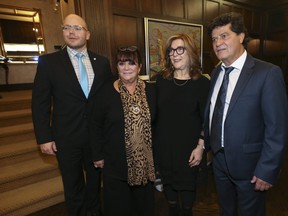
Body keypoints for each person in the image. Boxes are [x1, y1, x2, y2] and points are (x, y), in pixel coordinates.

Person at [204, 12, 288, 216]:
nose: (218, 43)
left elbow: (277, 128)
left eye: (224, 36)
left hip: (251, 168)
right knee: (226, 210)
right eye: (214, 39)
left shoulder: (267, 73)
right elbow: (213, 114)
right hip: (219, 161)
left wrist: (267, 170)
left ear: (241, 36)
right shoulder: (216, 73)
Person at [31, 14, 112, 216]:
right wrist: (44, 137)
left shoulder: (102, 63)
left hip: (96, 137)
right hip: (66, 137)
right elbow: (39, 103)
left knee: (95, 183)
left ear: (88, 33)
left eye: (77, 28)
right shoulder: (48, 62)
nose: (72, 32)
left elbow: (108, 99)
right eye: (67, 27)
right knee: (72, 185)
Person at [89, 46, 156, 216]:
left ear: (140, 67)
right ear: (116, 67)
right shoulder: (104, 92)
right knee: (118, 208)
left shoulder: (152, 91)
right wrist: (97, 155)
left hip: (144, 166)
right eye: (121, 63)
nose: (126, 68)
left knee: (143, 208)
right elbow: (94, 125)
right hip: (115, 163)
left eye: (131, 63)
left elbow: (158, 124)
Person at [154, 33, 210, 216]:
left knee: (187, 205)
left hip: (189, 152)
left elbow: (207, 119)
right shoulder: (161, 80)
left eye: (180, 49)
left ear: (191, 52)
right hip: (164, 149)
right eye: (171, 50)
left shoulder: (202, 83)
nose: (174, 54)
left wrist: (201, 147)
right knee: (171, 202)